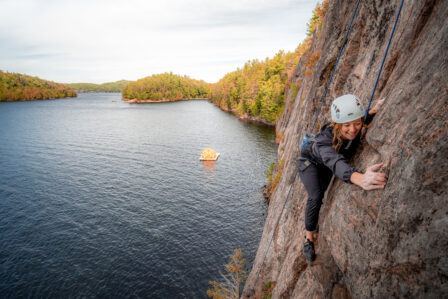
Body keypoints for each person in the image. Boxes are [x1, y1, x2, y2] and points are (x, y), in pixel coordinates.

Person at [297, 94, 387, 262]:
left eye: (357, 124)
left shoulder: (356, 125)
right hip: (309, 163)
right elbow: (334, 161)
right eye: (346, 125)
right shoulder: (323, 142)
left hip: (326, 166)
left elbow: (362, 119)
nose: (353, 129)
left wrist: (374, 110)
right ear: (337, 124)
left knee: (322, 190)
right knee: (316, 196)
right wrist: (359, 178)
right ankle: (309, 238)